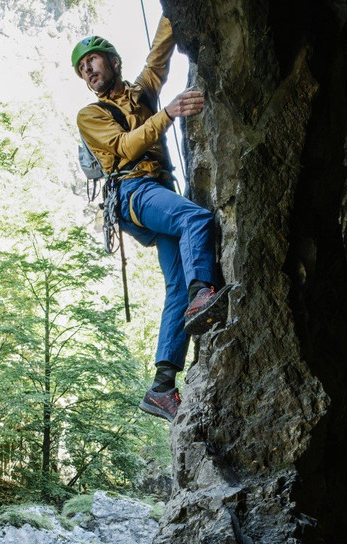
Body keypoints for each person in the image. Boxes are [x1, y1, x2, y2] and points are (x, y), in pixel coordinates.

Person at [72, 16, 229, 422]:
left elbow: (161, 51)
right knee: (195, 220)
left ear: (112, 61)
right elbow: (123, 148)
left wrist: (172, 12)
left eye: (93, 61)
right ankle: (203, 294)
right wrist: (169, 114)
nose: (89, 71)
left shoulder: (142, 91)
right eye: (82, 68)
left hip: (156, 192)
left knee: (175, 287)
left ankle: (161, 386)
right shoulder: (90, 115)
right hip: (134, 193)